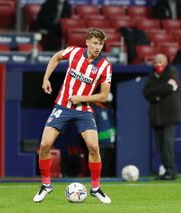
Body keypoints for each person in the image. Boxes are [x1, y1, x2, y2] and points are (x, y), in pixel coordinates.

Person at [33, 28, 112, 204]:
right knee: (45, 144)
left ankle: (96, 188)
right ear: (87, 42)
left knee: (93, 147)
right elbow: (55, 57)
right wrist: (46, 78)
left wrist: (81, 98)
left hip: (83, 109)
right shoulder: (74, 52)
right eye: (95, 43)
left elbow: (104, 96)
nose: (98, 47)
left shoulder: (105, 66)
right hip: (63, 105)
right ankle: (46, 185)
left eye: (101, 44)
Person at [143, 54, 181, 180]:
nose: (157, 64)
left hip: (170, 114)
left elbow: (170, 87)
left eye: (160, 61)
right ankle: (167, 170)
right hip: (156, 116)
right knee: (160, 145)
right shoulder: (151, 74)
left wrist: (155, 92)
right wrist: (158, 93)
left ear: (166, 61)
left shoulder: (172, 71)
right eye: (155, 62)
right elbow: (146, 92)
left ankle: (171, 170)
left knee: (167, 142)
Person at [92, 93, 116, 177]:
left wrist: (112, 141)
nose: (107, 103)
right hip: (100, 142)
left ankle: (105, 177)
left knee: (107, 163)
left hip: (109, 142)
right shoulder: (94, 109)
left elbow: (111, 126)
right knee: (99, 161)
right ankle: (96, 177)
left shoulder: (109, 110)